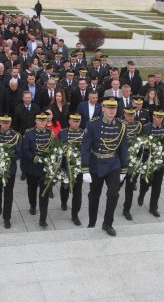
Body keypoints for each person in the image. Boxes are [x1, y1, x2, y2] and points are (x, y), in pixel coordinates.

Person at [81, 98, 128, 236]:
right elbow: (85, 147)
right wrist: (85, 169)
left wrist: (124, 169)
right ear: (103, 109)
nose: (112, 110)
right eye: (109, 108)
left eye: (114, 108)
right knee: (94, 196)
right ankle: (92, 222)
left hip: (113, 164)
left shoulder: (121, 125)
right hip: (96, 164)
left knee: (113, 194)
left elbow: (124, 148)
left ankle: (108, 223)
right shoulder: (93, 124)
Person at [137, 111, 164, 217]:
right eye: (157, 117)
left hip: (159, 162)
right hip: (147, 161)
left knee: (157, 186)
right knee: (145, 183)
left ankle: (153, 207)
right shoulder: (146, 128)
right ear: (153, 117)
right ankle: (142, 194)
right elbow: (140, 142)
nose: (159, 120)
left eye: (161, 118)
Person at [22, 113, 54, 227]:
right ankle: (32, 205)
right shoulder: (28, 133)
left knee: (44, 193)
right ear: (36, 121)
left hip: (45, 169)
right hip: (32, 167)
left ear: (46, 122)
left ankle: (43, 219)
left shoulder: (50, 133)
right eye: (39, 121)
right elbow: (25, 150)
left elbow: (53, 149)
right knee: (32, 189)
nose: (42, 123)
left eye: (44, 121)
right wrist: (36, 158)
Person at [0, 115, 21, 229]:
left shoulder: (16, 136)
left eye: (7, 123)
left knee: (8, 194)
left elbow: (18, 152)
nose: (5, 125)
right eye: (3, 122)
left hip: (9, 169)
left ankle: (6, 218)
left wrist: (8, 158)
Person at [58, 114, 85, 225]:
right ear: (69, 121)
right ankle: (64, 202)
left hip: (78, 168)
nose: (76, 123)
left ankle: (75, 215)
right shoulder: (62, 133)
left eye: (78, 121)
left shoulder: (84, 133)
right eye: (74, 121)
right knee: (65, 187)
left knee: (78, 192)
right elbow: (58, 148)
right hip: (65, 166)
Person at [121, 108, 143, 221]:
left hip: (133, 161)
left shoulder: (138, 125)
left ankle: (126, 210)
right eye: (128, 115)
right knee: (116, 187)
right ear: (124, 114)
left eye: (132, 115)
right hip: (121, 162)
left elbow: (140, 139)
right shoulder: (119, 124)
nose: (130, 117)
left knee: (129, 188)